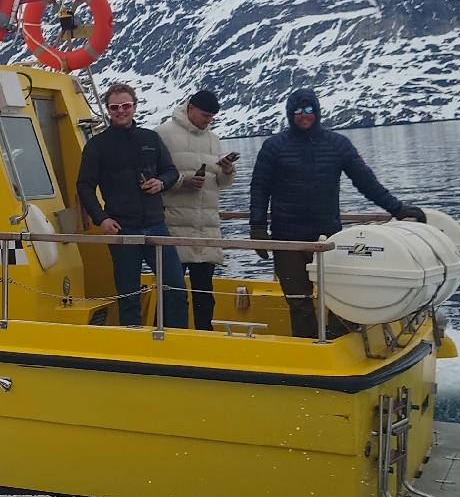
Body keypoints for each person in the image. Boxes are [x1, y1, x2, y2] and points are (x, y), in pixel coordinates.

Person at [249, 87, 426, 339]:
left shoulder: (338, 144)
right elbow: (259, 189)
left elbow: (366, 181)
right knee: (299, 302)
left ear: (317, 112)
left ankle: (341, 348)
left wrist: (396, 209)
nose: (303, 115)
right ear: (290, 114)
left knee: (341, 298)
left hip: (329, 238)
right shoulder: (273, 147)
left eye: (309, 109)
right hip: (287, 238)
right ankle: (308, 352)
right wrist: (257, 228)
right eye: (297, 111)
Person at [76, 83, 185, 327]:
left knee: (176, 288)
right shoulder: (97, 146)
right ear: (108, 110)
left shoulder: (151, 138)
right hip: (123, 230)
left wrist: (161, 183)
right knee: (128, 295)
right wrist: (101, 218)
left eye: (126, 105)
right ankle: (133, 342)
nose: (121, 111)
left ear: (134, 107)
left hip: (157, 227)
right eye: (115, 107)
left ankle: (178, 340)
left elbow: (171, 171)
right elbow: (84, 186)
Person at [156, 89, 237, 331]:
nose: (208, 121)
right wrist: (183, 181)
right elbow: (153, 178)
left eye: (212, 117)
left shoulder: (214, 139)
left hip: (206, 229)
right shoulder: (162, 134)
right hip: (173, 227)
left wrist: (227, 170)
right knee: (172, 292)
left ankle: (204, 338)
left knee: (205, 293)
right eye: (205, 115)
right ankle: (167, 337)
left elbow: (220, 184)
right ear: (190, 108)